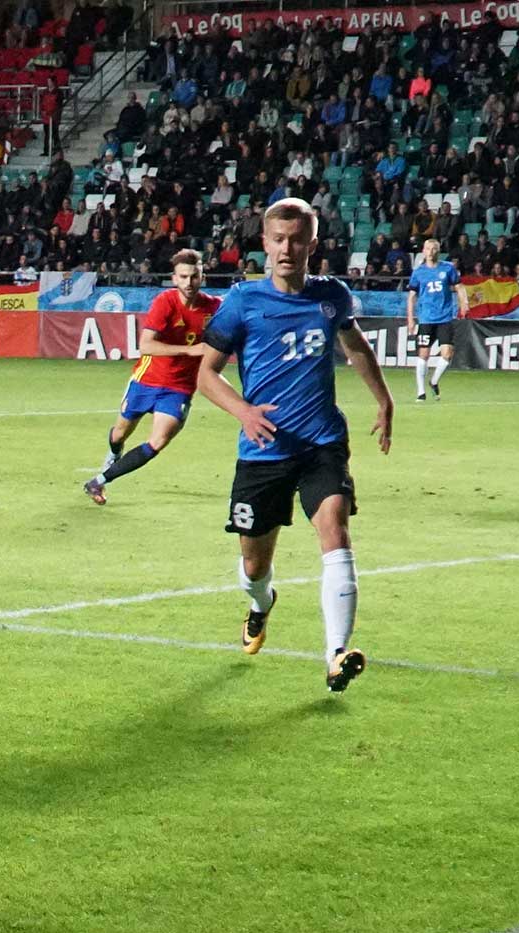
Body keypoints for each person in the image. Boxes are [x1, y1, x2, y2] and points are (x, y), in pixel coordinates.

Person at [194, 198, 394, 696]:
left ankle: (335, 654)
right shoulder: (242, 301)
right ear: (264, 244)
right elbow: (204, 373)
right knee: (254, 566)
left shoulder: (332, 297)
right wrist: (243, 411)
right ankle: (261, 605)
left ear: (312, 243)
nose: (287, 248)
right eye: (278, 239)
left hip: (322, 443)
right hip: (262, 453)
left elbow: (355, 348)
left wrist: (384, 400)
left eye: (297, 239)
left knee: (335, 532)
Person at [83, 248, 216, 506]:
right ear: (174, 278)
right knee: (119, 434)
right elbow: (145, 346)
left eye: (195, 276)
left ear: (203, 277)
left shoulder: (214, 308)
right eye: (184, 277)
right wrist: (190, 350)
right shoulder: (165, 302)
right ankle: (114, 454)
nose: (189, 283)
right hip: (146, 380)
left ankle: (98, 481)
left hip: (179, 387)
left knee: (158, 441)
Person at [405, 237, 464, 401]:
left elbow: (459, 286)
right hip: (426, 319)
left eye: (434, 249)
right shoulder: (418, 272)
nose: (430, 252)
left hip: (444, 318)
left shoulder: (448, 268)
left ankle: (434, 381)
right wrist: (410, 319)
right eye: (427, 248)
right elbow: (411, 297)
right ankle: (421, 392)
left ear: (438, 251)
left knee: (447, 354)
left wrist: (463, 302)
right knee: (423, 355)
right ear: (423, 251)